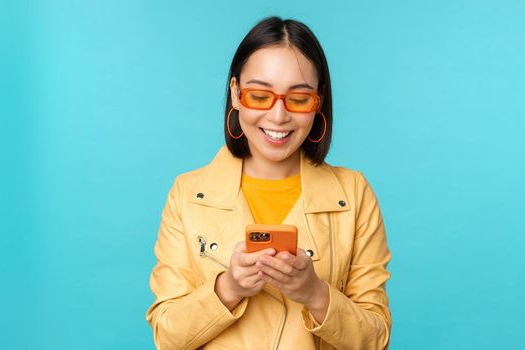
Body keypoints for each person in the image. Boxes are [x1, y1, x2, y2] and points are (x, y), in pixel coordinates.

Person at [145, 16, 392, 350]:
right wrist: (228, 288)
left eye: (299, 98)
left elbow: (376, 339)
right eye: (259, 96)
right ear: (235, 94)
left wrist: (314, 293)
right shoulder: (188, 195)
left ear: (318, 101)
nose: (278, 116)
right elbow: (167, 337)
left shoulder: (353, 193)